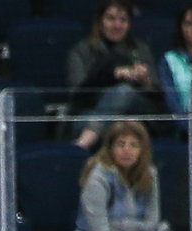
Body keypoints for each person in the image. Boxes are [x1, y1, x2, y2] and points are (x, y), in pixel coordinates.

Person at [67, 1, 161, 150]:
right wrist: (113, 75)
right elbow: (78, 94)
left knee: (124, 92)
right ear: (100, 21)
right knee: (87, 123)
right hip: (91, 112)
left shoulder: (140, 49)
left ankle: (80, 147)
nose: (117, 25)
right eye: (111, 19)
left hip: (136, 113)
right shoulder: (81, 51)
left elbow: (157, 95)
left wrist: (144, 81)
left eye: (123, 20)